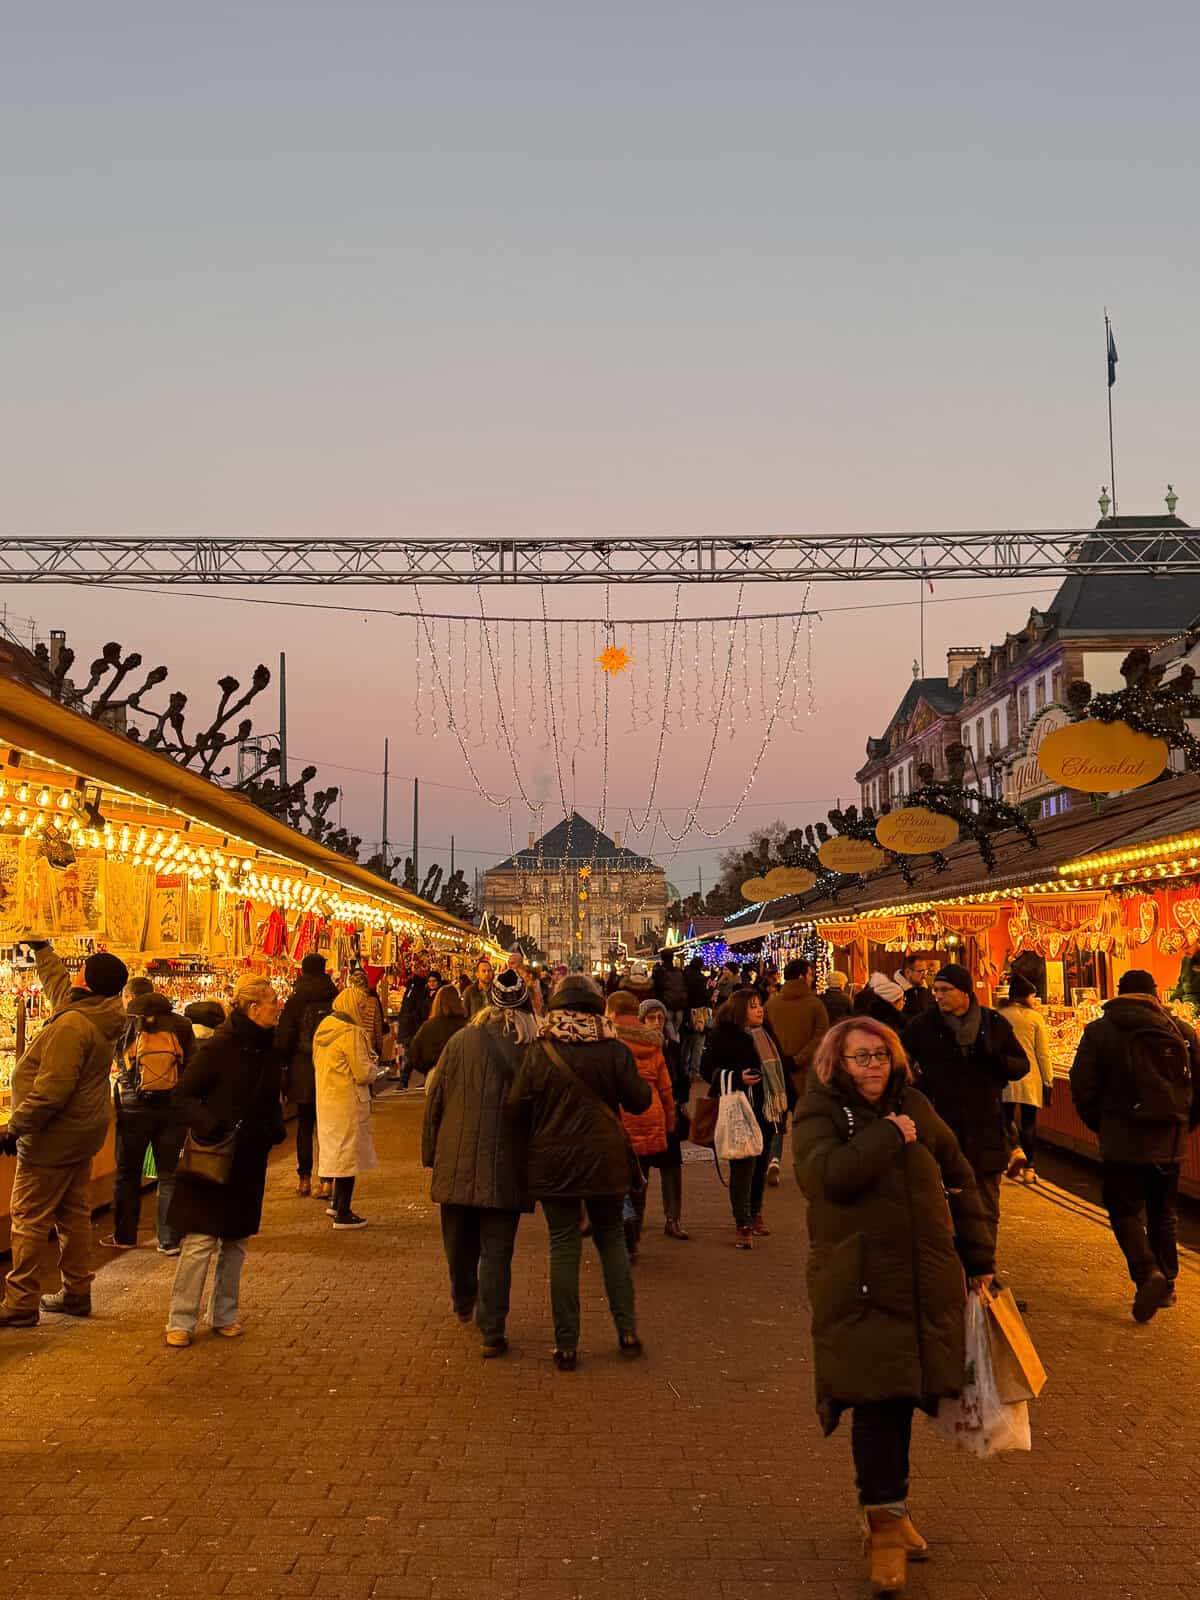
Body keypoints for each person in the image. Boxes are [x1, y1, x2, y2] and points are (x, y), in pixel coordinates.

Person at [794, 1017, 994, 1595]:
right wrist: (890, 1135)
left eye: (881, 1055)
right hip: (859, 1283)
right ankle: (882, 1526)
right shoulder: (820, 1114)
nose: (873, 1066)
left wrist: (979, 1259)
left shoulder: (917, 1107)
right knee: (876, 1399)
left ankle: (894, 1509)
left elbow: (960, 1176)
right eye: (860, 1058)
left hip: (924, 1279)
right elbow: (825, 1176)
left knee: (907, 1395)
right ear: (837, 1064)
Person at [508, 974, 651, 1369]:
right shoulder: (613, 1050)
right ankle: (626, 1330)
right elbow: (639, 1101)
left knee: (563, 1244)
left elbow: (516, 1105)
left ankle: (566, 1343)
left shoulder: (540, 1051)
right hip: (605, 1161)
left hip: (555, 1163)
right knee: (611, 1242)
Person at [0, 941, 128, 1328]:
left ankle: (21, 1300)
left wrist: (15, 1126)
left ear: (86, 979)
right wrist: (42, 950)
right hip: (81, 1135)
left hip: (53, 1137)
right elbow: (60, 989)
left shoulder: (72, 1025)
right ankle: (77, 1292)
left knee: (28, 1217)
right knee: (73, 1216)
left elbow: (53, 1089)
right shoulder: (97, 1012)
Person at [1070, 969, 1200, 1322]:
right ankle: (1168, 1283)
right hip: (1169, 1138)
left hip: (1121, 1138)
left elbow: (1081, 1085)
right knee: (1164, 1212)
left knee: (1124, 1210)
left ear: (1119, 993)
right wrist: (1184, 1124)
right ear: (1155, 994)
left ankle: (1148, 1274)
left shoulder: (1099, 1031)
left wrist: (1102, 1123)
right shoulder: (1181, 1031)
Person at [164, 976, 287, 1347]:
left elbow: (268, 1098)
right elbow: (183, 1095)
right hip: (213, 1156)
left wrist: (274, 1129)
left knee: (236, 1240)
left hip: (249, 1157)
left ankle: (225, 1314)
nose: (278, 1008)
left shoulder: (269, 1048)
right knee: (201, 1239)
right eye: (272, 1003)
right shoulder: (219, 1048)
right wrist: (210, 1128)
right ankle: (181, 1320)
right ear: (253, 1009)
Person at [422, 968, 536, 1358]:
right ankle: (493, 1329)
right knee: (498, 1251)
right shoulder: (532, 1047)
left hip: (455, 1156)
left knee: (458, 1241)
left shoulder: (460, 1041)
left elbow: (434, 1098)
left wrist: (429, 1153)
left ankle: (462, 1296)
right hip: (507, 1162)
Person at [900, 963, 1028, 1254]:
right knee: (944, 1204)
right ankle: (955, 1270)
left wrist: (996, 1062)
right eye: (936, 990)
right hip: (940, 1125)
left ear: (966, 992)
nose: (939, 996)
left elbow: (1021, 1064)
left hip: (986, 1125)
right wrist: (918, 1084)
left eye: (946, 990)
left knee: (985, 1206)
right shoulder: (923, 1026)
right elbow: (900, 1061)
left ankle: (984, 1272)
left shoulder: (992, 1023)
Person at [107, 991, 195, 1256]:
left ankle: (124, 1236)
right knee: (168, 1175)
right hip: (171, 1110)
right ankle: (168, 1240)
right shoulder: (181, 1025)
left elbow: (118, 1064)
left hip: (133, 1111)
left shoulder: (125, 1025)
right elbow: (191, 1063)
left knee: (127, 1173)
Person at [702, 988, 789, 1248]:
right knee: (743, 1166)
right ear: (741, 1010)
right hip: (739, 1107)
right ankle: (743, 1222)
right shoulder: (723, 1036)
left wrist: (786, 1106)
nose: (760, 1009)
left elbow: (779, 1069)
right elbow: (707, 1068)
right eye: (753, 1006)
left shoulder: (766, 1035)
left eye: (760, 1004)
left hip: (766, 1108)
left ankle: (755, 1211)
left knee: (760, 1164)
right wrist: (736, 1076)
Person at [606, 991, 676, 1259]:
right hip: (650, 1111)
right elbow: (665, 1087)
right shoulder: (653, 1044)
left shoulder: (611, 1041)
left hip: (621, 1116)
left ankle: (623, 1234)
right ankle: (633, 1235)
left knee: (619, 1180)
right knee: (640, 1180)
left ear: (612, 1012)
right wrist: (669, 1121)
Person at [312, 991, 380, 1229]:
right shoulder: (350, 1033)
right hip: (348, 1101)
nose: (363, 1010)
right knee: (348, 1157)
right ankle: (343, 1211)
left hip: (328, 1099)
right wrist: (374, 1069)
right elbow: (361, 1072)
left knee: (337, 1153)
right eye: (360, 1006)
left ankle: (336, 1203)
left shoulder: (324, 1031)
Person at [275, 953, 338, 1198]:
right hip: (329, 1070)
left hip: (302, 1070)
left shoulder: (295, 1001)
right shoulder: (334, 998)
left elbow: (283, 1039)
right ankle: (327, 1180)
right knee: (327, 1127)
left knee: (304, 1126)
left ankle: (303, 1179)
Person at [998, 975, 1054, 1184]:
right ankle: (1029, 1168)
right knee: (1029, 1123)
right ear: (1025, 997)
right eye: (1033, 996)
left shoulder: (999, 1015)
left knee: (1005, 1118)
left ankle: (1014, 1149)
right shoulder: (1035, 1018)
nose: (1034, 1000)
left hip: (1005, 1076)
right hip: (1031, 1077)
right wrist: (1048, 1081)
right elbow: (1043, 1054)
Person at [406, 983, 467, 1087]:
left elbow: (413, 1055)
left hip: (435, 1075)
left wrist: (427, 1069)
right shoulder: (467, 1025)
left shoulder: (428, 1027)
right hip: (462, 1076)